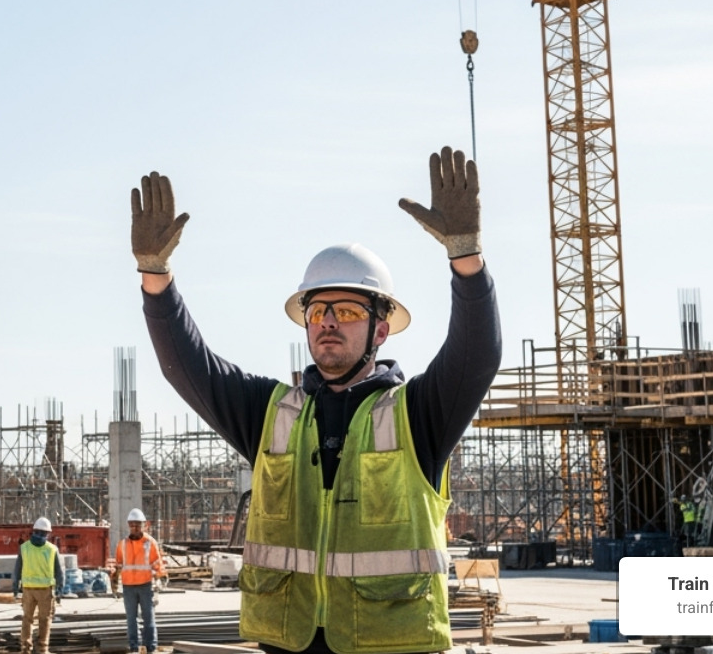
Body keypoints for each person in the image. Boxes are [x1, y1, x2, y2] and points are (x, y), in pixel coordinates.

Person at [130, 147, 501, 654]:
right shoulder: (273, 414)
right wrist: (155, 276)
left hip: (391, 646)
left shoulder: (417, 415)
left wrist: (466, 259)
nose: (328, 321)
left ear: (381, 330)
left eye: (346, 310)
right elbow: (188, 367)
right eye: (317, 310)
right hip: (289, 643)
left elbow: (477, 355)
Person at [113, 507, 165, 654]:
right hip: (128, 586)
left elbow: (157, 564)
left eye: (137, 524)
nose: (134, 528)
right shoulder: (123, 544)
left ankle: (151, 647)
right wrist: (114, 583)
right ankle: (134, 647)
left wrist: (159, 583)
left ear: (144, 525)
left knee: (148, 618)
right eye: (132, 525)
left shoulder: (150, 543)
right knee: (131, 620)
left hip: (146, 585)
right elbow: (118, 565)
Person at [12, 516, 64, 654]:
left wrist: (15, 587)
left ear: (33, 531)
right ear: (48, 533)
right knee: (44, 620)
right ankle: (42, 649)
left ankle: (25, 648)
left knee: (27, 619)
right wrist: (60, 589)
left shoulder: (24, 548)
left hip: (28, 590)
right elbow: (59, 571)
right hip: (45, 591)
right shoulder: (52, 549)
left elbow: (17, 569)